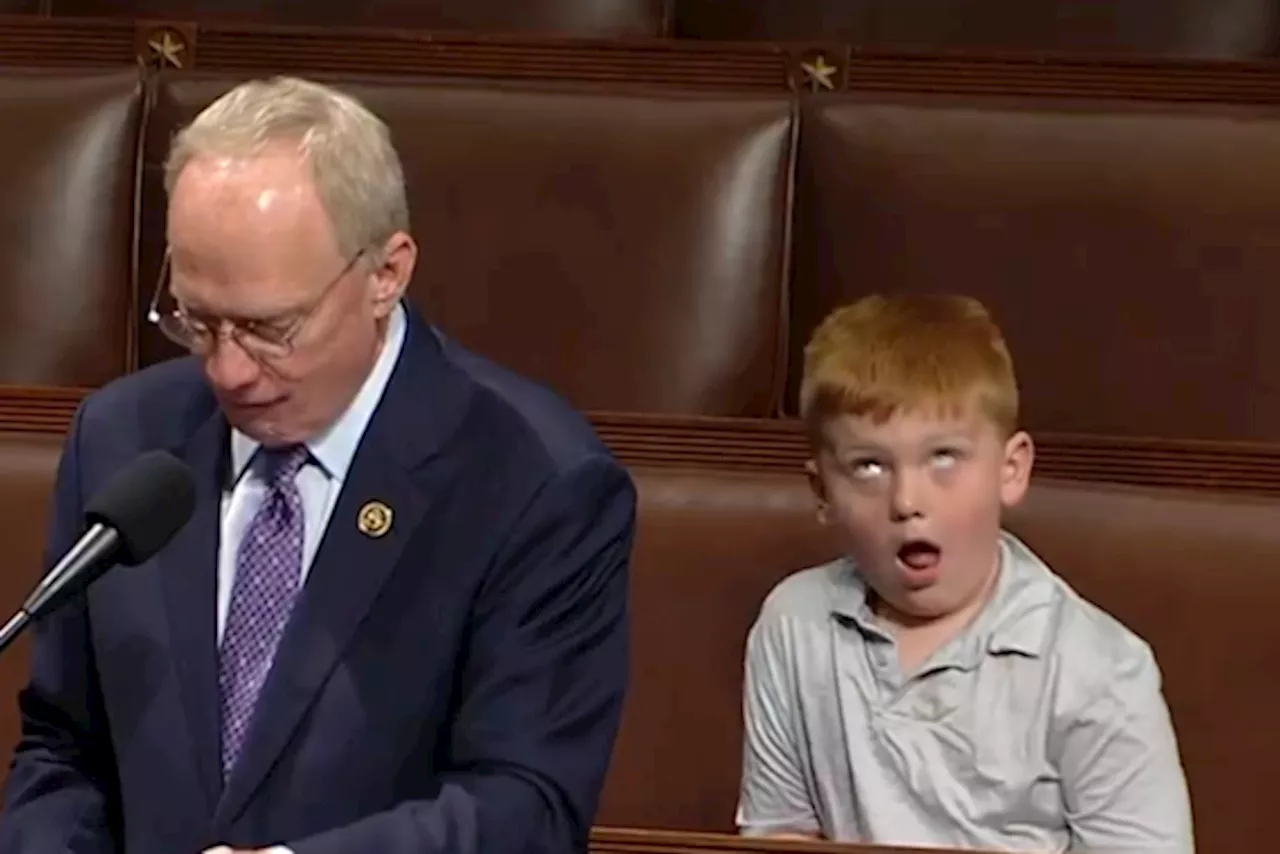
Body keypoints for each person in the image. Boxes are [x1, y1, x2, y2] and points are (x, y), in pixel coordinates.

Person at [0, 76, 636, 854]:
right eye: (197, 321)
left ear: (386, 275)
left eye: (271, 328)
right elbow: (64, 750)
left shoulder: (533, 483)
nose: (228, 371)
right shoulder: (123, 438)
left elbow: (525, 806)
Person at [735, 294, 1195, 852]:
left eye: (944, 458)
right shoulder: (794, 625)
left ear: (1011, 469)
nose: (907, 500)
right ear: (822, 491)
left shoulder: (1101, 672)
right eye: (869, 466)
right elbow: (780, 834)